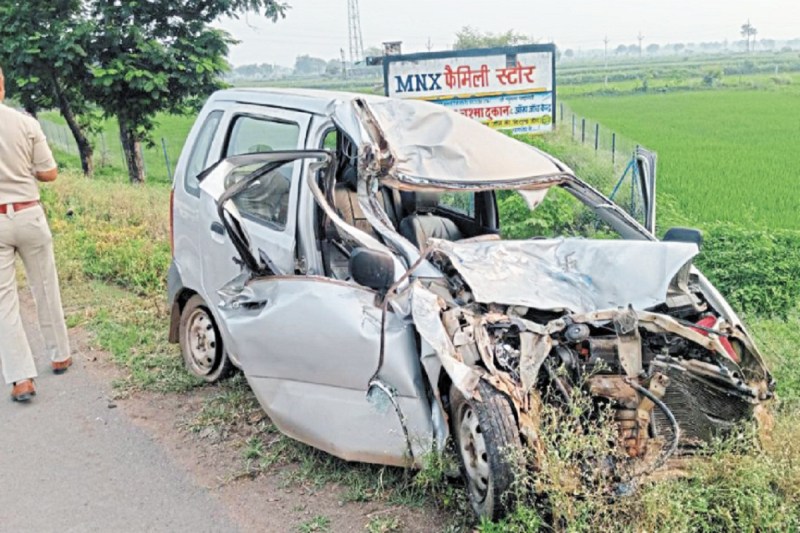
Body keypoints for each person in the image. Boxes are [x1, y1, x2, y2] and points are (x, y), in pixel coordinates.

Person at [0, 66, 72, 402]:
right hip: (29, 212)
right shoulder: (26, 123)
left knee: (4, 302)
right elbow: (50, 173)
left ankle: (20, 379)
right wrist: (25, 169)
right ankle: (60, 354)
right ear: (2, 86)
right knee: (45, 285)